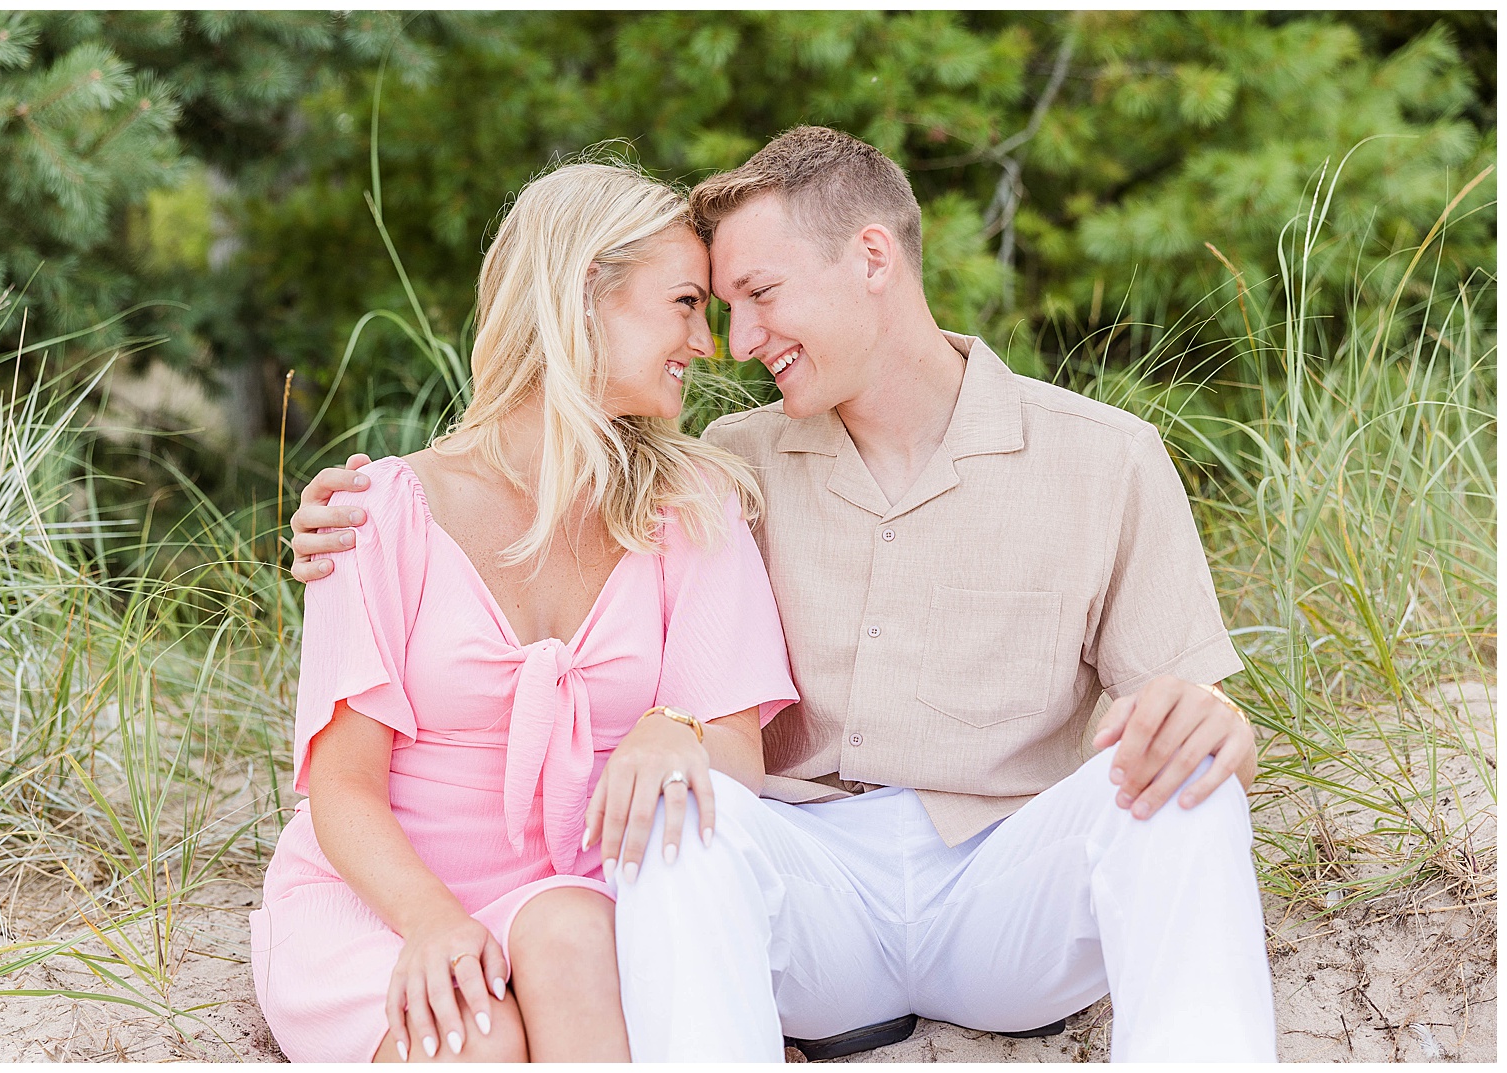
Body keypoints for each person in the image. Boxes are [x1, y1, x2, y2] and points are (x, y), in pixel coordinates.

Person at [290, 128, 1277, 1062]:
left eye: (757, 294)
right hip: (808, 890)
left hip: (1003, 879)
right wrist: (347, 524)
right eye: (711, 304)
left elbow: (1182, 700)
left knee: (1190, 794)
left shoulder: (1102, 458)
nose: (736, 338)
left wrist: (1211, 716)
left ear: (872, 257)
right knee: (686, 820)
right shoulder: (731, 462)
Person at [251, 161, 797, 1063]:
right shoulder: (380, 511)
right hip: (387, 900)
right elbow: (342, 788)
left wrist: (675, 730)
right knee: (480, 1038)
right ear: (585, 296)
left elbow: (733, 750)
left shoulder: (693, 502)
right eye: (686, 303)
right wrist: (432, 924)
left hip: (584, 897)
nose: (707, 344)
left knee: (569, 931)